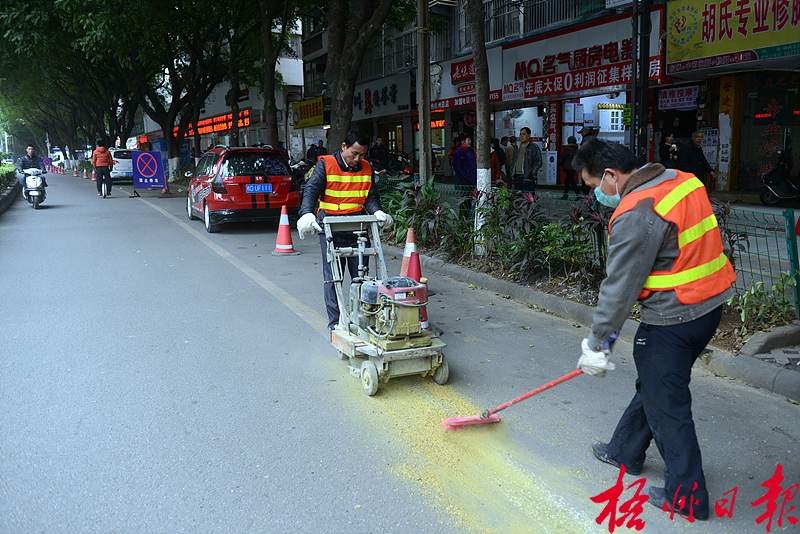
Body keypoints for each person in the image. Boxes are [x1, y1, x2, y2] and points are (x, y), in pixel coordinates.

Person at [572, 137, 735, 522]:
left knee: (668, 405)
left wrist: (596, 344)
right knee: (657, 384)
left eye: (595, 187)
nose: (597, 195)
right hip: (709, 307)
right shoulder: (681, 180)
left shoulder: (636, 213)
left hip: (674, 318)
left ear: (611, 175)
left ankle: (687, 496)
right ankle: (624, 450)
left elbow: (619, 288)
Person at [296, 130, 394, 331]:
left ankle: (363, 319)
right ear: (344, 147)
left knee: (361, 277)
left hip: (358, 228)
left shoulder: (366, 168)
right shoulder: (326, 164)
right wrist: (307, 213)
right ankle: (336, 323)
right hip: (331, 228)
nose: (357, 159)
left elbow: (370, 197)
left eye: (362, 155)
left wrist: (378, 212)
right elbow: (312, 190)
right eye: (354, 153)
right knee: (333, 278)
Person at [452, 135, 477, 219]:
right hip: (465, 180)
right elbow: (456, 166)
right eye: (468, 139)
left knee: (470, 200)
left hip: (472, 179)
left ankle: (468, 218)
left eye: (470, 139)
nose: (469, 141)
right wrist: (463, 176)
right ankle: (463, 218)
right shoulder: (459, 151)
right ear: (462, 141)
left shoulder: (471, 151)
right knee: (464, 201)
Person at [511, 127, 542, 192]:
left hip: (527, 177)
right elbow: (513, 160)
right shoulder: (517, 147)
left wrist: (531, 173)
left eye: (524, 134)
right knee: (517, 197)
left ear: (529, 135)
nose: (521, 136)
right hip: (517, 176)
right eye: (520, 134)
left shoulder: (533, 147)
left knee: (528, 197)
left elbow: (538, 161)